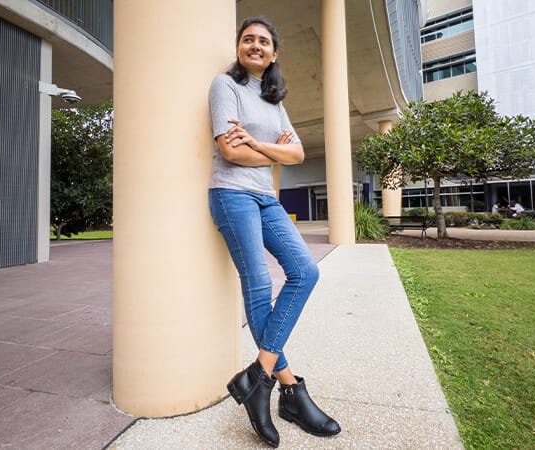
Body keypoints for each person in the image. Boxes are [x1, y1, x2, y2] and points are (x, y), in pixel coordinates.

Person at [208, 17, 340, 447]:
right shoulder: (225, 87)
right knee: (260, 284)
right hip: (232, 195)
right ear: (239, 47)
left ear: (274, 53)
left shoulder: (272, 100)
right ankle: (290, 389)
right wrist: (272, 151)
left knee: (305, 271)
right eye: (248, 40)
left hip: (265, 198)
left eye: (264, 41)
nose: (256, 46)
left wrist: (259, 146)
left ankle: (257, 378)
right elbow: (228, 149)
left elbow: (297, 153)